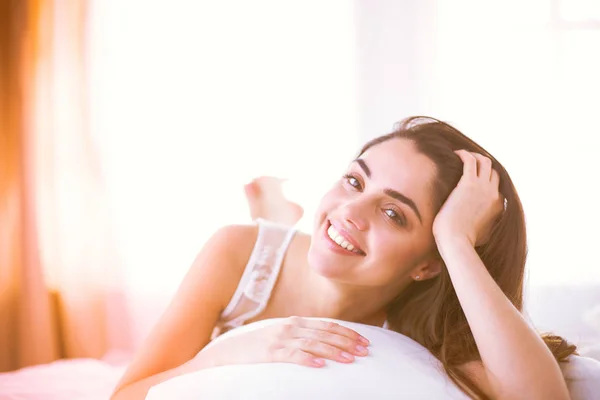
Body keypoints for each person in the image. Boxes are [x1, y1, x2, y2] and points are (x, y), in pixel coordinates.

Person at [111, 116, 576, 399]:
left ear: (428, 265)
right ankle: (275, 212)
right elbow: (127, 396)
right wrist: (230, 352)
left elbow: (537, 397)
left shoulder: (418, 333)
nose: (351, 211)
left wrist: (455, 240)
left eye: (394, 213)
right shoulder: (238, 253)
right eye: (355, 181)